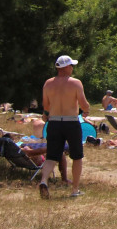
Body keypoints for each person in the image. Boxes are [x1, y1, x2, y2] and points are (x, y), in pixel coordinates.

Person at [38, 55, 90, 199]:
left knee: (51, 156)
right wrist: (86, 110)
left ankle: (43, 180)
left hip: (54, 122)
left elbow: (46, 105)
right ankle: (75, 189)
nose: (73, 68)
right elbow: (83, 102)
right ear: (66, 67)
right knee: (77, 156)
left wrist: (47, 114)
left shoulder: (48, 83)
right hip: (71, 122)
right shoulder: (75, 83)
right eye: (71, 65)